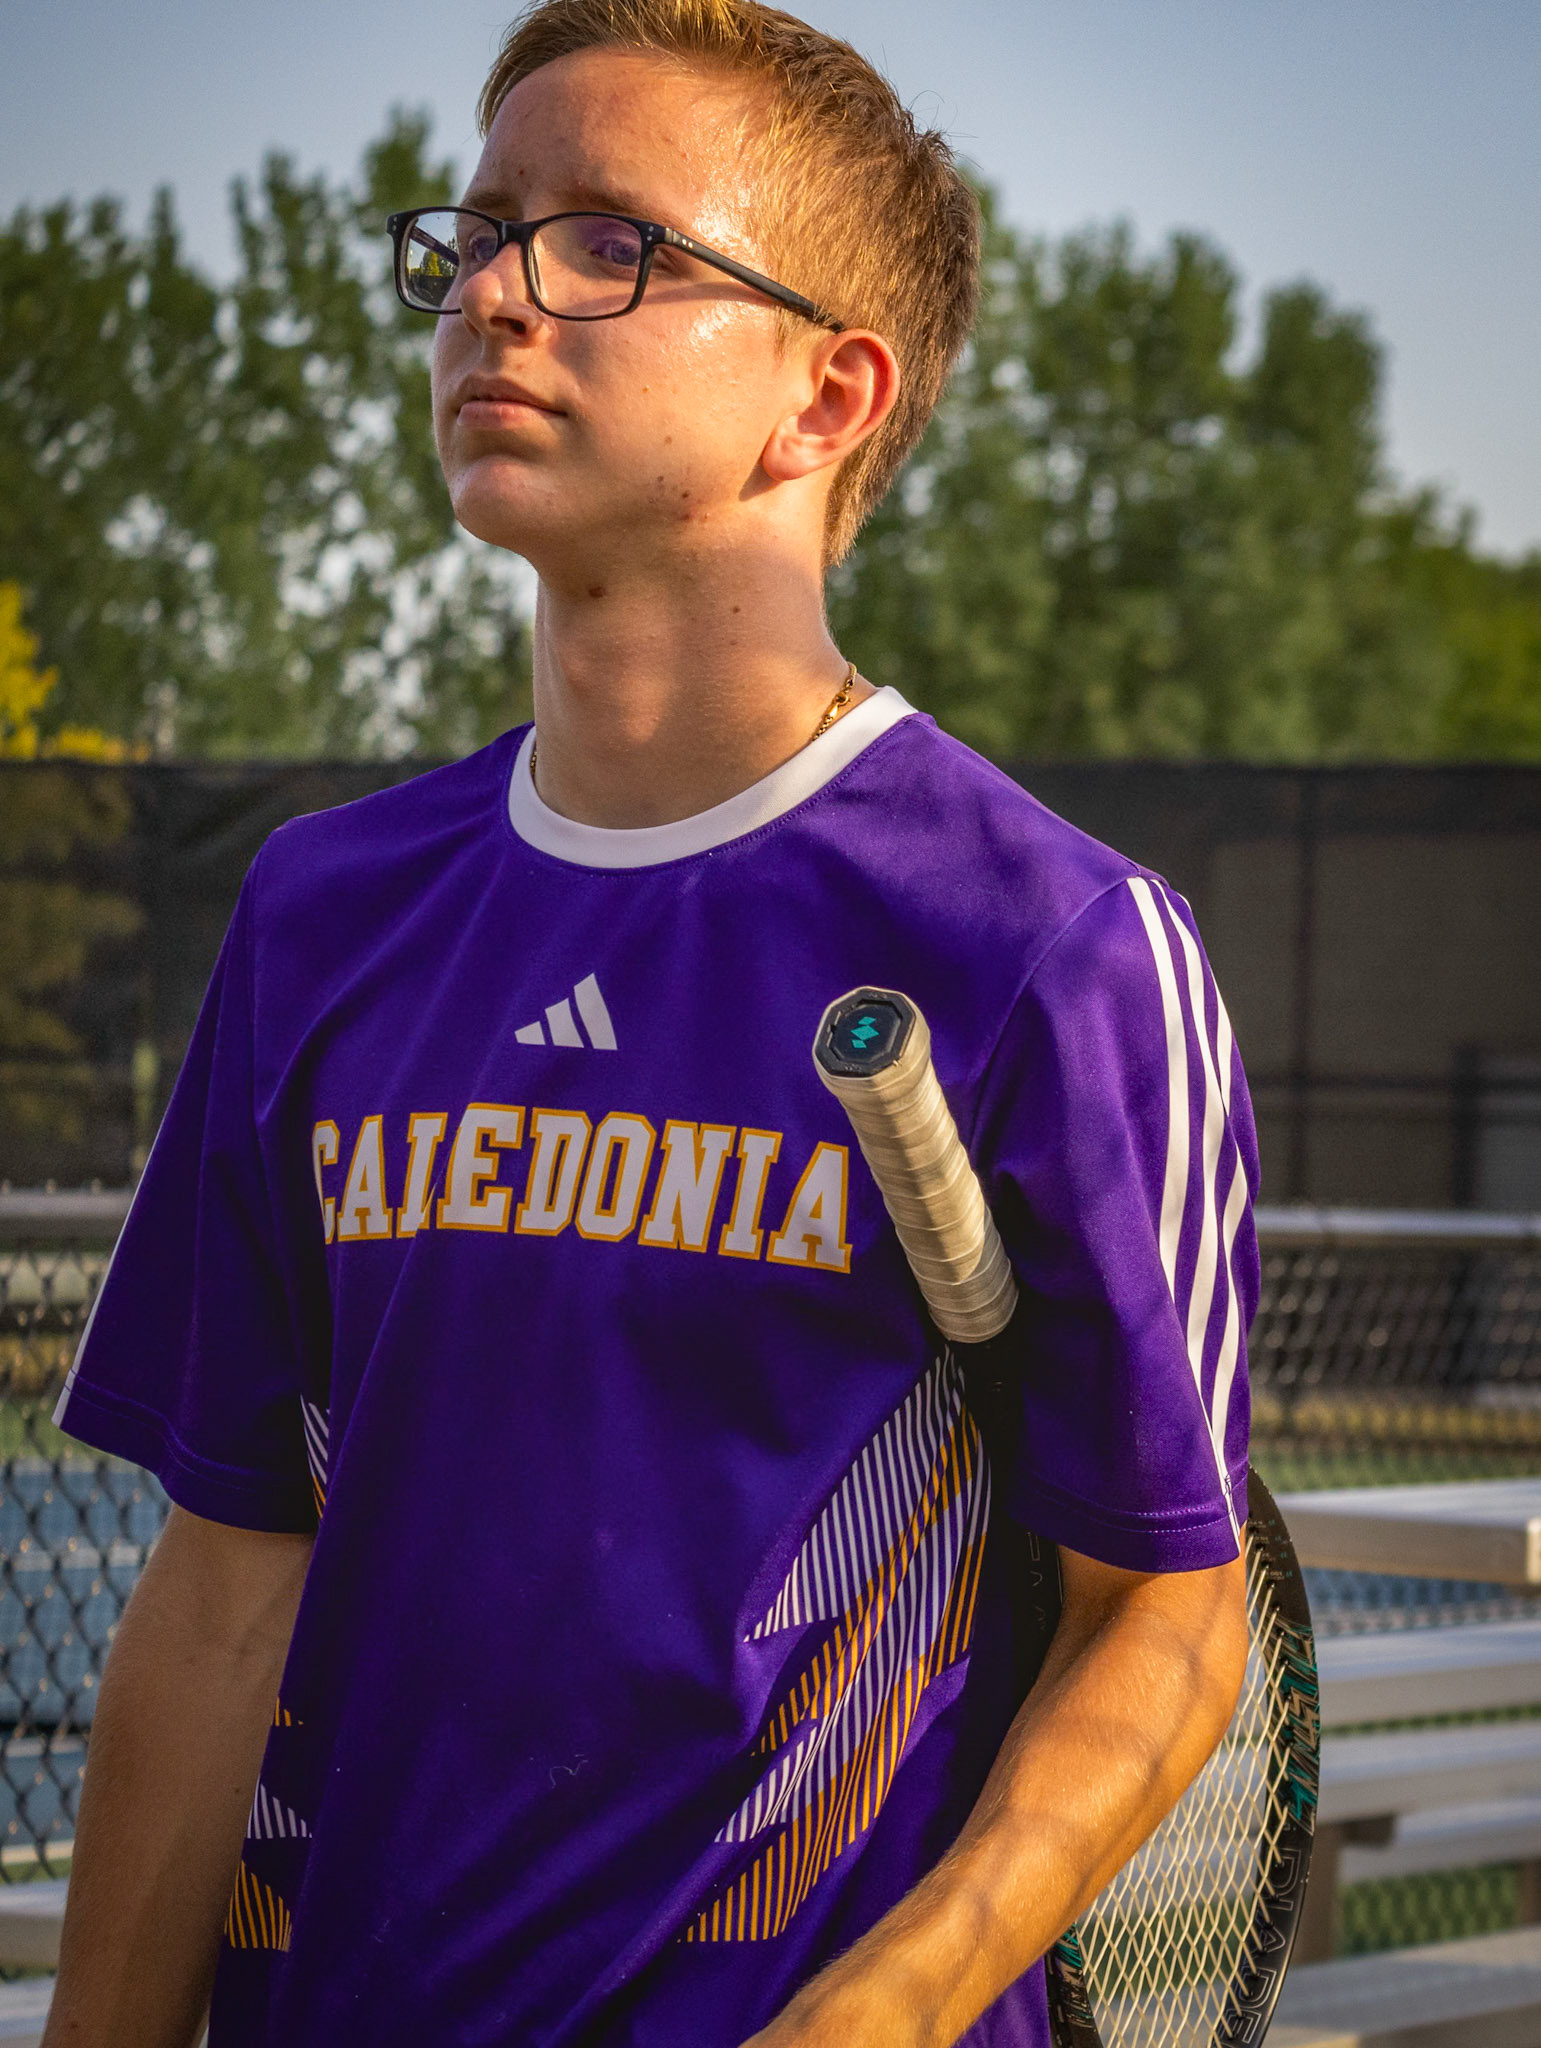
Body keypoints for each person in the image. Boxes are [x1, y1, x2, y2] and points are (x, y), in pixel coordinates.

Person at [45, 4, 1255, 2043]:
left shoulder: (1053, 942)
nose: (497, 296)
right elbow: (223, 1572)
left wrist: (878, 2012)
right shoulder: (321, 911)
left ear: (825, 393)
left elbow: (1167, 1616)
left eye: (611, 243)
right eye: (483, 229)